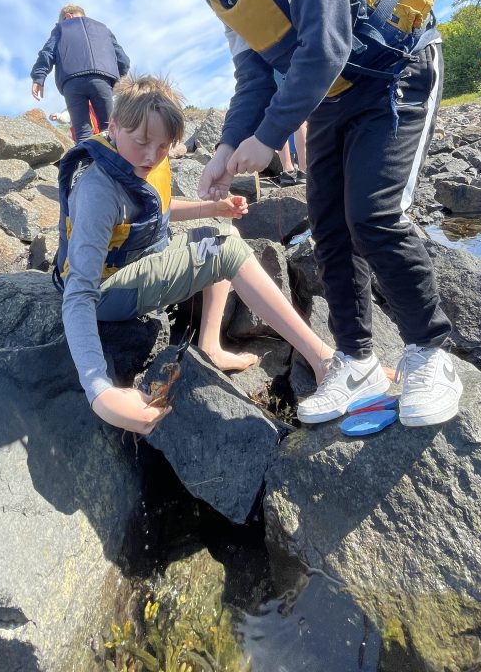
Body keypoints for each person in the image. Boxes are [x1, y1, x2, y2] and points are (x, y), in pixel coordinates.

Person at [135, 0, 463, 428]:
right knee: (330, 230)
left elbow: (329, 40)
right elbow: (254, 76)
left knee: (374, 215)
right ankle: (357, 361)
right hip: (334, 95)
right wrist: (229, 147)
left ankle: (430, 351)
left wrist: (271, 139)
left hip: (397, 73)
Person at [56, 74, 339, 435]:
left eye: (162, 147)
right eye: (141, 141)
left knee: (225, 233)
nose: (150, 155)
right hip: (105, 291)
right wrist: (100, 390)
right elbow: (79, 292)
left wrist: (212, 208)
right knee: (225, 249)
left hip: (138, 261)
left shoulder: (144, 160)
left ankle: (209, 345)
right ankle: (324, 361)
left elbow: (153, 208)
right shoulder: (97, 191)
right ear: (112, 125)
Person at [30, 4, 130, 141]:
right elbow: (122, 58)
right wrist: (119, 75)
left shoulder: (61, 28)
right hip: (102, 79)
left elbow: (48, 53)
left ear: (68, 16)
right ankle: (114, 159)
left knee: (82, 133)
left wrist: (38, 77)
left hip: (72, 82)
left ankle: (84, 161)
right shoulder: (103, 29)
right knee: (109, 128)